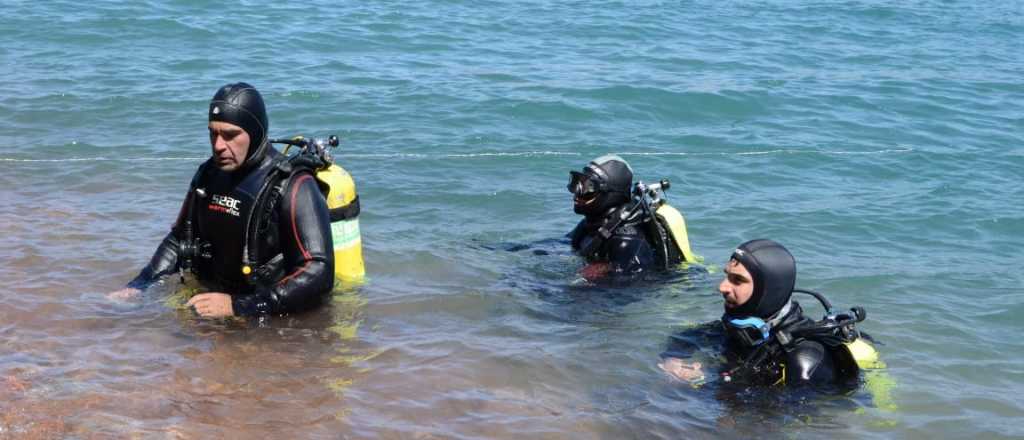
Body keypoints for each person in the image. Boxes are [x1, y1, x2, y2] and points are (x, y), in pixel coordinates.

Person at [108, 83, 335, 317]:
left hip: (271, 318)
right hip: (217, 305)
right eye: (213, 133)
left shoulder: (295, 186)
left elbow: (319, 272)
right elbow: (178, 241)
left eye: (230, 135)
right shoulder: (209, 174)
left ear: (255, 132)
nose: (218, 145)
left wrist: (238, 306)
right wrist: (139, 285)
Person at [659, 239, 875, 388]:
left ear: (767, 289)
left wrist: (702, 384)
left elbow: (775, 423)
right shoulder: (741, 327)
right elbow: (686, 337)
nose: (722, 287)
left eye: (737, 280)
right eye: (727, 276)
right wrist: (674, 361)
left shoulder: (804, 359)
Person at [567, 155, 696, 281]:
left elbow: (625, 290)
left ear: (611, 195)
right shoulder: (590, 224)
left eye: (588, 188)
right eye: (578, 184)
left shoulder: (626, 240)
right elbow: (559, 245)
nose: (576, 194)